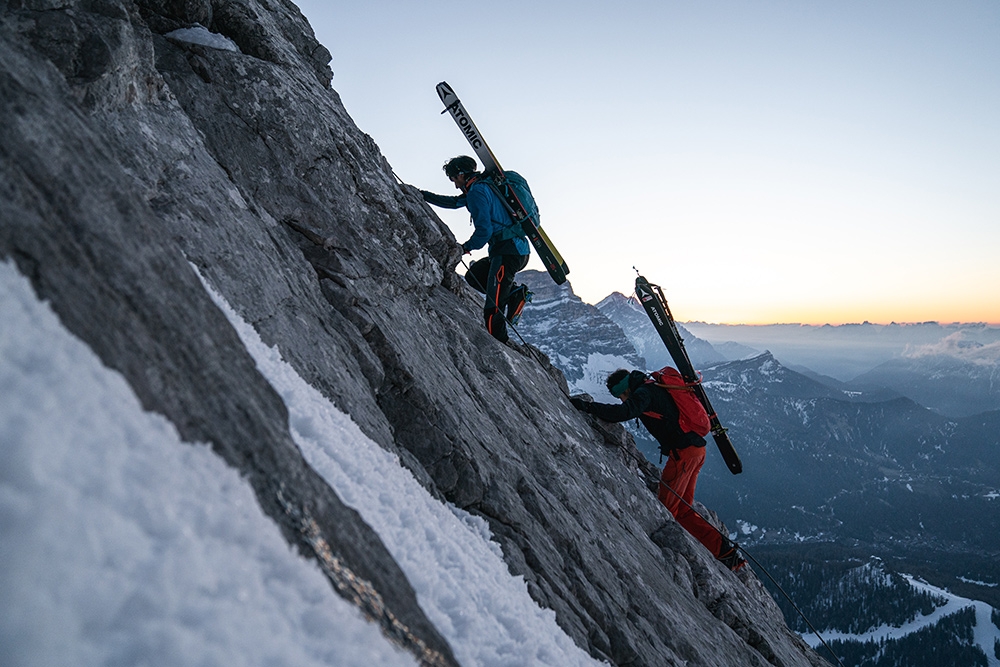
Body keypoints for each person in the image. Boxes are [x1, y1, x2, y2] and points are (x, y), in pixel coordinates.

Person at [571, 369, 746, 571]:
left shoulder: (644, 393)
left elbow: (624, 413)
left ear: (625, 388)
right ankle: (726, 553)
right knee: (683, 508)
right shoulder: (652, 386)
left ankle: (669, 562)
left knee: (666, 509)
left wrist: (588, 407)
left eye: (620, 395)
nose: (621, 400)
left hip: (683, 454)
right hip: (696, 451)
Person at [420, 156, 531, 343]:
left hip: (507, 252)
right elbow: (455, 202)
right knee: (474, 276)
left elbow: (484, 231)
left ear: (462, 175)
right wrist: (423, 195)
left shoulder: (477, 192)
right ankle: (514, 294)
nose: (455, 185)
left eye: (454, 179)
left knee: (492, 309)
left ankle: (500, 345)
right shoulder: (484, 186)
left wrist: (466, 247)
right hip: (516, 251)